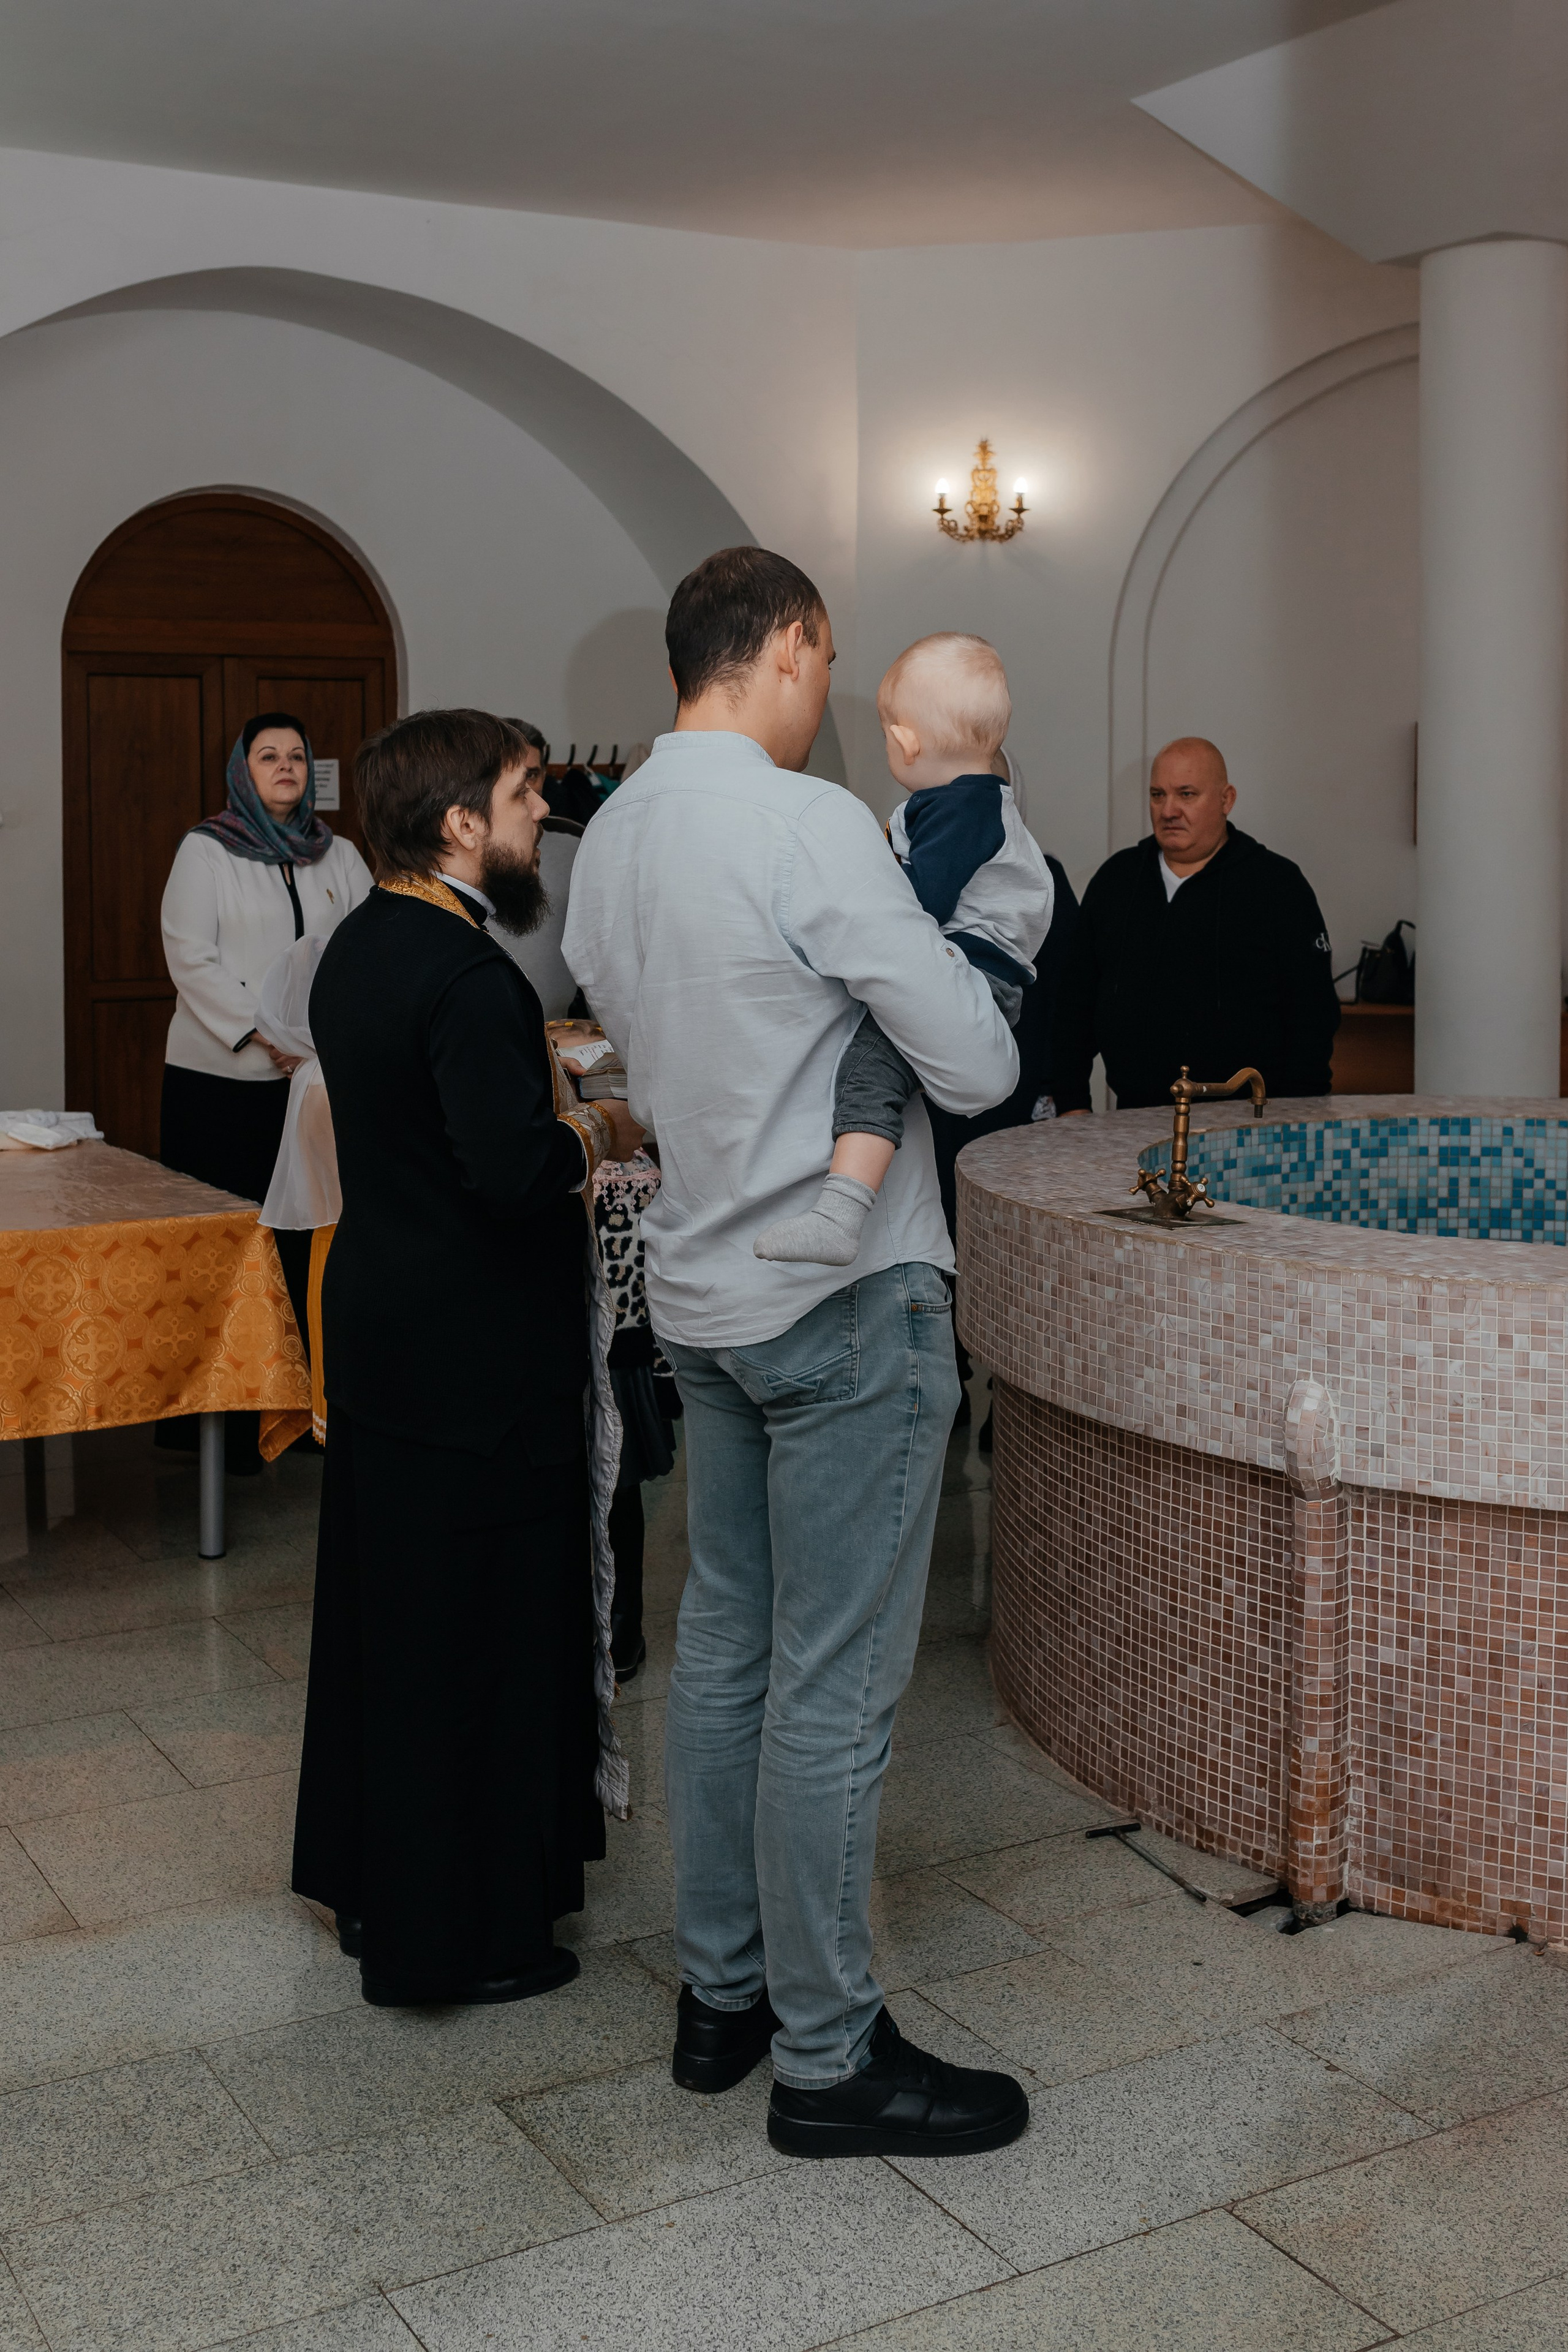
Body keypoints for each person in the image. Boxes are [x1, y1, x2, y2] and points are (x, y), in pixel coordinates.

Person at [564, 546, 1031, 2160]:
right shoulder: (805, 820)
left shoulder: (611, 841)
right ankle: (830, 2061)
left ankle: (723, 1998)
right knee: (833, 1689)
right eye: (829, 666)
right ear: (794, 648)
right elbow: (971, 1059)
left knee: (733, 1656)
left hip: (701, 1298)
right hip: (844, 1303)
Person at [291, 708, 641, 2008]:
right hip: (477, 1357)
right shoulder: (471, 973)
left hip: (385, 1329)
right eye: (520, 793)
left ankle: (381, 1894)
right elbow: (506, 1174)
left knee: (396, 1630)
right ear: (456, 826)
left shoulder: (357, 947)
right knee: (478, 1639)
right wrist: (597, 1129)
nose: (538, 813)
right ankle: (467, 1933)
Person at [754, 633, 1052, 1265]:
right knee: (873, 1065)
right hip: (975, 966)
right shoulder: (960, 802)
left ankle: (840, 1213)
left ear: (907, 741)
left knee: (870, 1066)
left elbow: (916, 907)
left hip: (976, 969)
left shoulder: (959, 808)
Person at [159, 712, 371, 1466]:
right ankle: (218, 1431)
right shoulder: (206, 850)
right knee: (227, 1251)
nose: (283, 766)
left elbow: (363, 948)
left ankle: (309, 1412)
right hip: (221, 1083)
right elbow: (191, 957)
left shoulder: (339, 855)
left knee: (305, 1240)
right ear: (241, 771)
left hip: (315, 1084)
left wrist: (324, 1039)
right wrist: (264, 1034)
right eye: (267, 756)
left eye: (295, 757)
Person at [1055, 735, 1340, 1114]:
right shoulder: (1117, 881)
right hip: (1133, 1119)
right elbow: (1074, 1004)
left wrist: (1299, 1118)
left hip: (1251, 1124)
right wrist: (1073, 1104)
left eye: (1186, 795)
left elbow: (1312, 1019)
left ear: (1226, 800)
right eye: (1158, 795)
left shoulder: (1277, 886)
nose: (1168, 810)